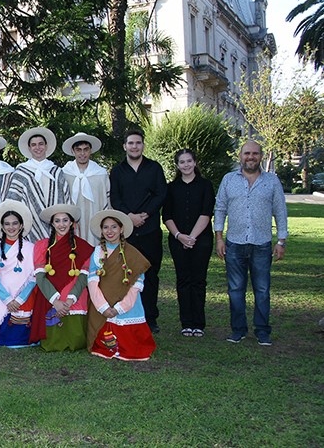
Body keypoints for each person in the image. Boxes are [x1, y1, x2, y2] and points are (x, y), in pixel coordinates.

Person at [214, 140, 288, 346]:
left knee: (262, 290)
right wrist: (219, 238)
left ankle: (262, 331)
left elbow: (280, 211)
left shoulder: (272, 181)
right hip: (234, 243)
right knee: (236, 289)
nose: (251, 157)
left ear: (261, 156)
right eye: (247, 153)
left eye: (255, 153)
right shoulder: (229, 180)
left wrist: (281, 241)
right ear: (240, 156)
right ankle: (238, 330)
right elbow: (220, 209)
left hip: (262, 244)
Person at [109, 128, 166, 333]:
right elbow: (115, 198)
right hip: (127, 232)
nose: (134, 146)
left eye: (138, 143)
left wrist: (145, 215)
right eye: (131, 143)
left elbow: (161, 194)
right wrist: (129, 217)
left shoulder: (154, 168)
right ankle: (128, 314)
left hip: (150, 229)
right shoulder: (117, 171)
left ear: (143, 145)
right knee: (127, 274)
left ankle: (150, 318)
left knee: (150, 275)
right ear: (125, 146)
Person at [85, 210, 156, 361]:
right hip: (102, 303)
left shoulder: (132, 254)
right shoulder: (97, 252)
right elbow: (92, 282)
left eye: (114, 227)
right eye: (105, 227)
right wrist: (103, 307)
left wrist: (120, 308)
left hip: (127, 306)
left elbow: (136, 286)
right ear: (101, 230)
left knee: (132, 347)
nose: (109, 231)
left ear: (121, 229)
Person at [162, 149, 215, 338]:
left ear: (195, 162)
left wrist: (191, 237)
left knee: (198, 281)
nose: (186, 165)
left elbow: (206, 213)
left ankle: (198, 323)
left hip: (201, 241)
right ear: (177, 165)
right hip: (177, 241)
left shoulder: (205, 185)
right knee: (183, 280)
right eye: (182, 162)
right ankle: (186, 322)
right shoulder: (171, 188)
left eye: (189, 161)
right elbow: (166, 215)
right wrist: (179, 236)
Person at [31, 204, 95, 351]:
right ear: (52, 224)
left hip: (75, 294)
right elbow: (40, 278)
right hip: (50, 294)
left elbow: (83, 277)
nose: (61, 224)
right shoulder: (42, 246)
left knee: (78, 341)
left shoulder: (83, 247)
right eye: (57, 221)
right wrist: (56, 301)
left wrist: (69, 300)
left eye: (65, 220)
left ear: (72, 223)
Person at [0, 200, 37, 347]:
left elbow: (33, 278)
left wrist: (19, 300)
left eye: (15, 223)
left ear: (21, 226)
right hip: (0, 296)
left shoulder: (32, 248)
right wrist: (8, 300)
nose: (11, 227)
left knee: (19, 335)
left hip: (23, 297)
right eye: (7, 224)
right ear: (2, 227)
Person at [7, 127, 71, 242]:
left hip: (58, 225)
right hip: (31, 225)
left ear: (46, 146)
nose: (38, 147)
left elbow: (66, 198)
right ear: (29, 148)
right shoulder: (21, 172)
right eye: (34, 145)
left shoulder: (56, 171)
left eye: (41, 144)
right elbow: (13, 201)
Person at [60, 132, 110, 246]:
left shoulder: (101, 174)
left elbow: (107, 201)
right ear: (73, 151)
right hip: (72, 223)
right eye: (78, 150)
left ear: (90, 150)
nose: (82, 153)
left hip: (94, 220)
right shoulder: (65, 173)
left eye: (86, 149)